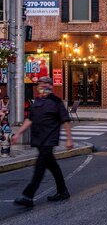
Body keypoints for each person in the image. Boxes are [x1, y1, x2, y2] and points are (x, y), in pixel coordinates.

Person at [12, 77, 72, 208]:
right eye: (40, 83)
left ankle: (28, 195)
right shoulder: (38, 101)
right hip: (38, 139)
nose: (42, 85)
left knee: (39, 166)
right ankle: (63, 191)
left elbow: (65, 121)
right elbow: (30, 119)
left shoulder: (56, 101)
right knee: (53, 166)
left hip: (49, 140)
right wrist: (19, 133)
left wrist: (68, 139)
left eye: (45, 83)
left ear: (50, 86)